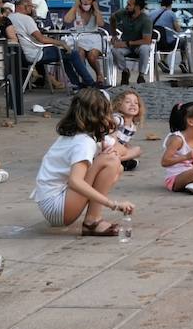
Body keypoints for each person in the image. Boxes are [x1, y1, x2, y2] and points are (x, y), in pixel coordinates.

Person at [31, 89, 134, 235]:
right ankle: (92, 221)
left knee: (116, 165)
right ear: (98, 116)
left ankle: (92, 219)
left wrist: (109, 147)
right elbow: (75, 181)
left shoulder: (77, 135)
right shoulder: (83, 142)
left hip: (54, 202)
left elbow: (121, 149)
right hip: (57, 207)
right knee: (110, 161)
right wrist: (113, 205)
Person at [7, 0, 97, 91]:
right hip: (35, 54)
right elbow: (41, 38)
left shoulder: (9, 18)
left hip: (21, 55)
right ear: (23, 7)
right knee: (73, 53)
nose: (31, 9)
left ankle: (76, 85)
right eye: (30, 6)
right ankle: (90, 83)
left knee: (66, 54)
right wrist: (61, 43)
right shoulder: (26, 19)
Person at [110, 0, 153, 85]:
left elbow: (147, 40)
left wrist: (127, 43)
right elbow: (112, 18)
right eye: (127, 4)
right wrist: (114, 35)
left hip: (139, 45)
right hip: (127, 45)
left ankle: (141, 75)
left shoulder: (146, 20)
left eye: (129, 5)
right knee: (115, 50)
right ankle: (125, 71)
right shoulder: (123, 13)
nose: (126, 7)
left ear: (137, 7)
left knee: (145, 49)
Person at [64, 0, 107, 81]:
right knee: (79, 54)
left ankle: (99, 75)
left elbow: (101, 23)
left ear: (92, 2)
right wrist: (75, 6)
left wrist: (96, 9)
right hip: (79, 38)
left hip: (93, 39)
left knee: (92, 56)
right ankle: (85, 78)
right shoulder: (77, 10)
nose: (86, 1)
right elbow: (67, 20)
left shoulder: (94, 12)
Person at [109, 89, 145, 170]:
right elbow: (110, 137)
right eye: (128, 102)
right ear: (119, 105)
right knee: (133, 152)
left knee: (137, 150)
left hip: (117, 151)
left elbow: (124, 142)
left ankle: (119, 161)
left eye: (136, 103)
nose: (132, 105)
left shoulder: (132, 127)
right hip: (109, 147)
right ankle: (113, 161)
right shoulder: (117, 118)